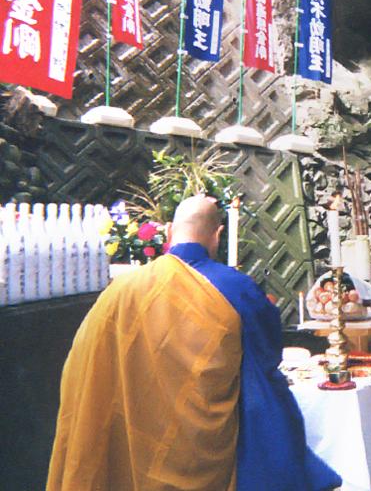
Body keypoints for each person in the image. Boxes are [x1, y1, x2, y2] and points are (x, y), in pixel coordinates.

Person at [47, 195, 341, 491]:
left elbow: (85, 366)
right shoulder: (236, 288)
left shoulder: (121, 291)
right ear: (218, 234)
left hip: (138, 443)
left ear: (169, 231)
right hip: (206, 452)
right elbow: (267, 357)